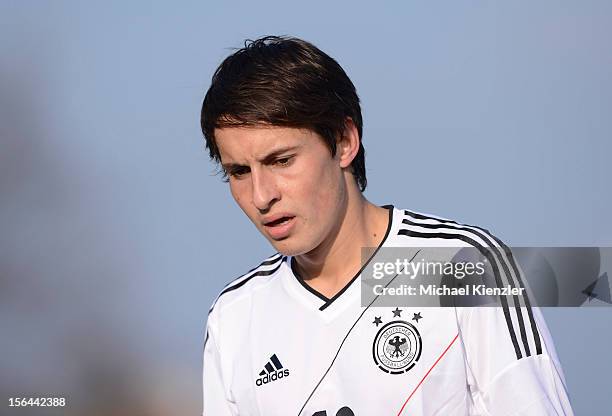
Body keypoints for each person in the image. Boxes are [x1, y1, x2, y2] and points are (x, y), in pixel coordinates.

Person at [199, 35, 573, 415]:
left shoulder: (465, 266)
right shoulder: (234, 317)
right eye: (239, 171)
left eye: (281, 160)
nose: (261, 196)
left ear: (344, 142)